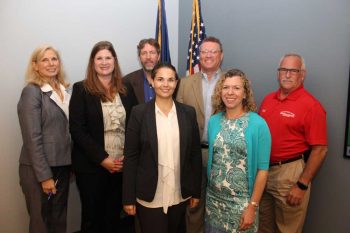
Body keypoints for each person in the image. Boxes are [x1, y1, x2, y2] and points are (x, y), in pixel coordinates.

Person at [122, 62, 202, 233]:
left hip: (179, 193)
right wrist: (128, 197)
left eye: (170, 80)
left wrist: (196, 191)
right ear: (152, 81)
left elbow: (194, 154)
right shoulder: (139, 113)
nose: (165, 84)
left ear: (176, 82)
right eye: (160, 79)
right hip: (150, 194)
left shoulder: (188, 113)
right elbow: (131, 157)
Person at [69, 41, 137, 233]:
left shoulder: (127, 89)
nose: (104, 62)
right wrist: (103, 159)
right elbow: (77, 130)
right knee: (92, 218)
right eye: (99, 58)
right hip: (92, 166)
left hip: (121, 165)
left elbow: (135, 125)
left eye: (108, 57)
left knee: (113, 218)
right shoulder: (81, 89)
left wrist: (127, 155)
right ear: (93, 63)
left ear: (114, 61)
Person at [258, 54, 328, 233]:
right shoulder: (268, 100)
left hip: (289, 175)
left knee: (287, 229)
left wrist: (302, 184)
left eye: (293, 71)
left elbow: (320, 149)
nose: (287, 75)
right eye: (283, 70)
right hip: (264, 172)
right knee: (262, 227)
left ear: (302, 74)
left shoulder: (311, 106)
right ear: (278, 73)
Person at [205, 69, 271, 233]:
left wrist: (252, 206)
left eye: (236, 88)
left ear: (244, 94)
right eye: (226, 87)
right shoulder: (214, 121)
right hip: (213, 203)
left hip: (242, 206)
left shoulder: (258, 125)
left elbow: (263, 170)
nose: (230, 92)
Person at [18, 45, 71, 233]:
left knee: (58, 221)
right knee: (42, 223)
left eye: (54, 59)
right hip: (38, 170)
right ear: (35, 65)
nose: (51, 64)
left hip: (62, 166)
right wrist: (45, 176)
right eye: (45, 60)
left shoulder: (64, 91)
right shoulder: (32, 92)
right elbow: (32, 137)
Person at [176, 36, 224, 233]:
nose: (208, 55)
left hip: (221, 155)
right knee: (193, 205)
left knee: (219, 205)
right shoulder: (185, 83)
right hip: (193, 154)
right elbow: (177, 119)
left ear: (221, 56)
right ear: (199, 55)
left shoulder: (231, 83)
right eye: (204, 52)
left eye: (213, 51)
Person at [123, 38, 160, 104]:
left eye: (152, 53)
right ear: (139, 57)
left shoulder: (169, 80)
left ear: (158, 56)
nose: (148, 57)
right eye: (144, 53)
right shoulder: (126, 81)